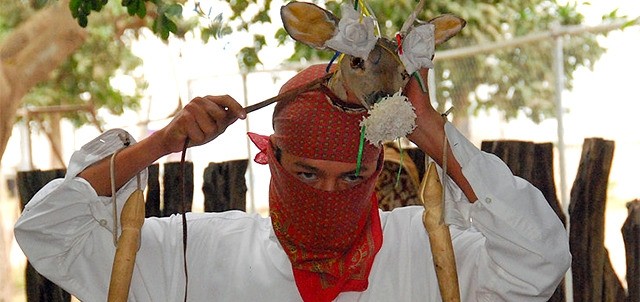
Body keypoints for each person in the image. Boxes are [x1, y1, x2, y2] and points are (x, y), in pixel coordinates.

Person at [14, 64, 570, 301]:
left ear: (379, 172)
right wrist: (159, 144)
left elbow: (540, 256)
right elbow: (49, 231)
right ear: (269, 161)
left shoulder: (426, 252)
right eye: (306, 174)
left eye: (350, 177)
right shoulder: (191, 255)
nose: (327, 197)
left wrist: (434, 134)